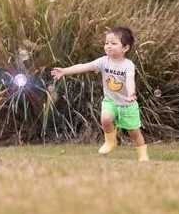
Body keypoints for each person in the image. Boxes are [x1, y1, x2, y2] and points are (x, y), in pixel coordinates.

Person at [52, 26, 149, 162]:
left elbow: (130, 80)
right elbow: (84, 66)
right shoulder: (103, 61)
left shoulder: (128, 65)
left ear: (125, 48)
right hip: (110, 101)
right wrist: (65, 71)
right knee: (105, 119)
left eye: (113, 43)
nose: (108, 46)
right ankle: (110, 142)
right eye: (106, 43)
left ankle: (143, 154)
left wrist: (131, 93)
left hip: (127, 104)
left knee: (134, 132)